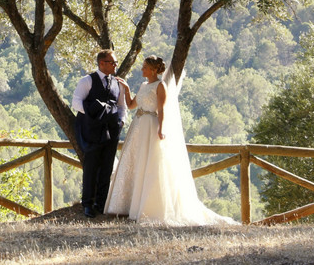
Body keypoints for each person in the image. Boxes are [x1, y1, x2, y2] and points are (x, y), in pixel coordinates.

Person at [105, 55, 235, 226]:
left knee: (149, 163)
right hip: (137, 127)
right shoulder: (143, 85)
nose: (142, 69)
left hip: (150, 125)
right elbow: (131, 105)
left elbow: (162, 110)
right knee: (134, 163)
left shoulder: (160, 86)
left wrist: (160, 129)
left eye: (144, 67)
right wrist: (127, 89)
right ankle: (128, 205)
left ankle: (145, 207)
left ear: (152, 69)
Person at [71, 49, 127, 218]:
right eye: (113, 62)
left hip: (112, 131)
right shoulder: (87, 81)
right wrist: (92, 116)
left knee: (107, 167)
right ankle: (87, 204)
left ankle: (101, 203)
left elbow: (122, 106)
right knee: (91, 167)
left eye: (116, 62)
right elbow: (76, 103)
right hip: (92, 131)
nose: (116, 65)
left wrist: (121, 122)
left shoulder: (118, 83)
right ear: (102, 63)